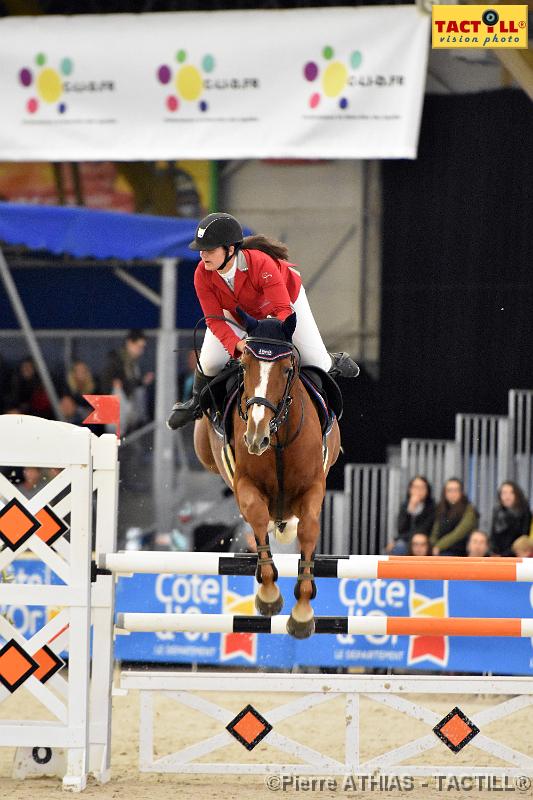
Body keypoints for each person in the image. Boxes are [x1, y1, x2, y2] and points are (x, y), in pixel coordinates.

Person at [167, 212, 360, 429]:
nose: (203, 255)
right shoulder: (202, 274)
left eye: (210, 250)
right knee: (210, 362)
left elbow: (282, 310)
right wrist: (236, 345)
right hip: (238, 312)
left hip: (286, 304)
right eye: (201, 250)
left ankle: (332, 359)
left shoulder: (260, 264)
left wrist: (266, 341)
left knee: (316, 361)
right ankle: (195, 403)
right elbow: (215, 320)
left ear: (230, 250)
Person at [101, 329, 154, 435]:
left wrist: (141, 382)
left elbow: (129, 383)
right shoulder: (116, 361)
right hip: (115, 412)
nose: (141, 351)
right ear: (129, 343)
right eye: (139, 347)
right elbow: (112, 385)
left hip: (127, 413)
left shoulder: (131, 363)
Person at [430, 478, 479, 557]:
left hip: (459, 550)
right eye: (449, 490)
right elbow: (435, 530)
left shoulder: (469, 510)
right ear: (445, 493)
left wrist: (438, 546)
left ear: (461, 493)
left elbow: (458, 534)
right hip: (440, 550)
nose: (453, 493)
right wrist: (431, 545)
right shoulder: (441, 508)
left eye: (456, 490)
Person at [387, 475, 435, 555]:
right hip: (407, 541)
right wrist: (410, 509)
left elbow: (424, 529)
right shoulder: (405, 505)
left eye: (422, 487)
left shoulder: (431, 506)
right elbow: (401, 529)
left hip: (424, 541)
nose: (418, 491)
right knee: (397, 548)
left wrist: (396, 539)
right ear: (410, 489)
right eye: (415, 487)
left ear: (427, 490)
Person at [490, 481, 532, 557]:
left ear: (517, 495)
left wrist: (507, 553)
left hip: (518, 554)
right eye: (504, 493)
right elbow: (493, 536)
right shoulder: (497, 511)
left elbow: (524, 537)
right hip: (498, 555)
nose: (507, 496)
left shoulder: (524, 512)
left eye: (511, 493)